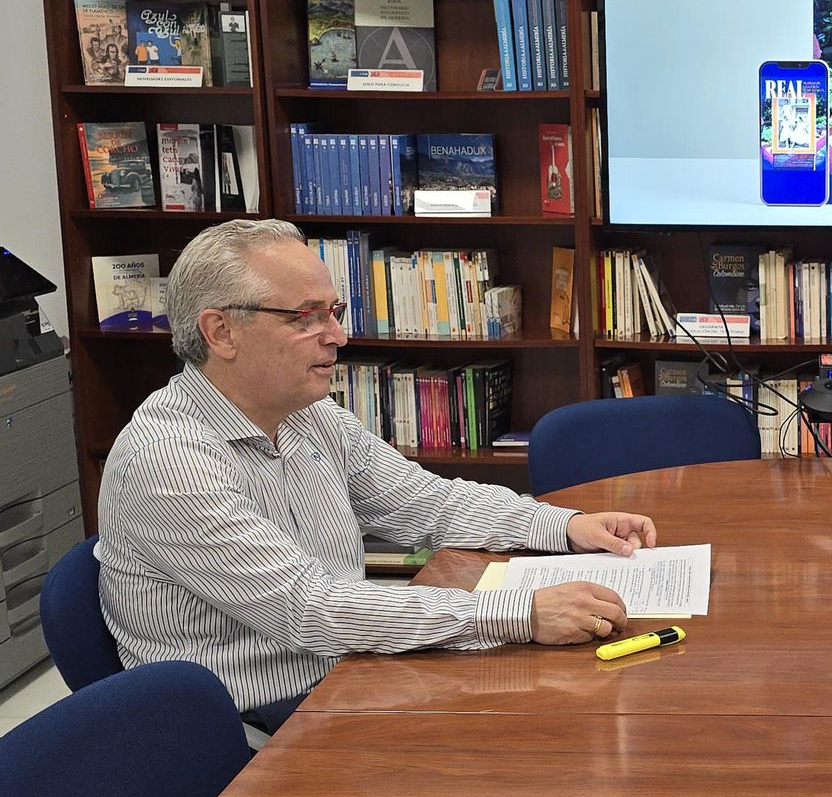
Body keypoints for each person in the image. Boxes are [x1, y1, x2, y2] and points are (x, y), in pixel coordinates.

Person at [97, 219, 656, 731]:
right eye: (306, 317)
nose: (337, 336)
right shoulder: (167, 462)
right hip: (258, 722)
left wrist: (564, 527)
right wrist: (523, 613)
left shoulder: (307, 415)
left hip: (344, 668)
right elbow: (311, 610)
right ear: (220, 332)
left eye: (334, 312)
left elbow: (425, 502)